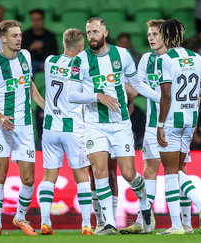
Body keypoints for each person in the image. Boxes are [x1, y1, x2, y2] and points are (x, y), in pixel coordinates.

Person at [68, 17, 161, 235]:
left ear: (105, 33)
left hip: (120, 124)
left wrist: (160, 98)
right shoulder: (80, 60)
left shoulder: (122, 55)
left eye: (95, 32)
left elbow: (136, 84)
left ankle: (145, 205)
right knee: (99, 171)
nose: (91, 36)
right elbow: (72, 94)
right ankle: (108, 223)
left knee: (129, 174)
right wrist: (97, 96)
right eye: (88, 32)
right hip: (93, 124)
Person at [119, 19, 194, 235]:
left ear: (165, 36)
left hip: (177, 123)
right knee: (149, 170)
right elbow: (138, 84)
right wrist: (160, 96)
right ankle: (144, 221)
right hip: (154, 125)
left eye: (154, 34)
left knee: (179, 171)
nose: (150, 37)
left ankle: (186, 223)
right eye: (148, 34)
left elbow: (194, 88)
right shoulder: (145, 59)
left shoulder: (178, 59)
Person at [0, 20, 45, 236]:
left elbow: (29, 85)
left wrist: (46, 107)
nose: (19, 38)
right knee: (0, 174)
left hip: (24, 126)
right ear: (3, 38)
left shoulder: (25, 56)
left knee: (28, 179)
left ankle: (20, 217)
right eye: (14, 35)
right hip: (1, 126)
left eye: (20, 35)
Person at [157, 19, 201, 235]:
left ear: (164, 36)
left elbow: (167, 94)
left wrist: (160, 125)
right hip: (190, 119)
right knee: (179, 169)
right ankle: (199, 208)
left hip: (172, 120)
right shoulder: (196, 57)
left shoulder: (165, 59)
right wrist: (189, 95)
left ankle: (177, 225)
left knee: (170, 172)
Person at [39, 28, 94, 236]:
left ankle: (45, 222)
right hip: (72, 126)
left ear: (63, 43)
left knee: (48, 176)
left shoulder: (50, 61)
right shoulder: (80, 67)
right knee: (81, 175)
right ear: (81, 48)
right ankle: (86, 225)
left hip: (50, 126)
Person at [22, 9, 58, 74]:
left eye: (38, 20)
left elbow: (55, 54)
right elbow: (21, 55)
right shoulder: (25, 35)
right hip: (30, 63)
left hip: (47, 63)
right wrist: (31, 48)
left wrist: (45, 61)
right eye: (33, 20)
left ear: (43, 20)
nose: (36, 22)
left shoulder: (50, 36)